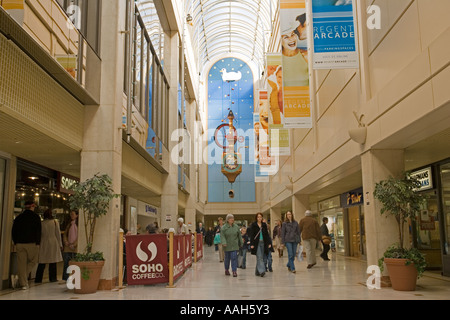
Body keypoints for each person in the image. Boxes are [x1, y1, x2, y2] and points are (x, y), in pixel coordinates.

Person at [12, 200, 42, 290]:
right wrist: (38, 242)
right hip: (31, 243)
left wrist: (15, 242)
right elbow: (38, 231)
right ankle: (19, 277)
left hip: (20, 243)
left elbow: (13, 230)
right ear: (32, 207)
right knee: (34, 261)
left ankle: (23, 283)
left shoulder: (19, 217)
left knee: (21, 264)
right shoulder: (36, 217)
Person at [35, 209, 63, 283]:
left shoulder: (42, 223)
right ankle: (53, 278)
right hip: (53, 242)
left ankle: (38, 278)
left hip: (43, 242)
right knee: (53, 261)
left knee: (42, 261)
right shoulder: (55, 222)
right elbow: (58, 234)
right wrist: (60, 244)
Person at [281, 20, 309, 87]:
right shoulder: (279, 60)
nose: (291, 39)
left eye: (292, 34)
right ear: (280, 42)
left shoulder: (306, 55)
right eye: (286, 37)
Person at [248, 212, 271, 277]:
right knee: (259, 257)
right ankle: (262, 271)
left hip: (263, 242)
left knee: (261, 257)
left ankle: (257, 272)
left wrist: (269, 243)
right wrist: (252, 244)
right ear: (256, 218)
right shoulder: (254, 225)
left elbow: (266, 235)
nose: (259, 218)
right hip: (256, 243)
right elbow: (252, 235)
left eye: (260, 217)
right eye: (258, 217)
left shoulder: (264, 225)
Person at [62, 210, 78, 281]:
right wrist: (65, 241)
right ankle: (65, 278)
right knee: (66, 263)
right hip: (67, 247)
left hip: (75, 247)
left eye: (73, 214)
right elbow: (65, 234)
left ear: (77, 215)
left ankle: (75, 278)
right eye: (70, 214)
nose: (71, 216)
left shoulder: (78, 225)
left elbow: (79, 236)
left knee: (75, 263)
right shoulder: (69, 224)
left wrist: (74, 244)